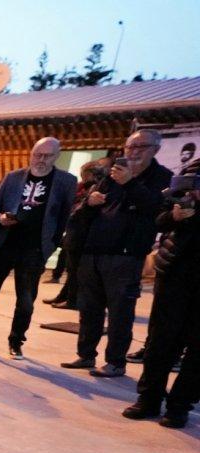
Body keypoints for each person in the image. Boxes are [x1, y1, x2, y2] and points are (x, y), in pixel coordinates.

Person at [60, 130, 173, 378]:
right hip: (93, 251)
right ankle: (86, 354)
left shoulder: (162, 178)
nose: (132, 152)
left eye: (140, 147)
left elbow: (157, 211)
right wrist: (90, 201)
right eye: (129, 147)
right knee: (89, 308)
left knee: (120, 311)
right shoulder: (111, 175)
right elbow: (81, 211)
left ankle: (115, 362)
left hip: (126, 255)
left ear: (155, 149)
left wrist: (130, 183)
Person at [0, 137, 76, 358]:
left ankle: (16, 341)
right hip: (3, 246)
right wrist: (0, 218)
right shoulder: (13, 178)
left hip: (34, 250)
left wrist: (50, 247)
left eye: (47, 156)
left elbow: (63, 217)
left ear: (57, 156)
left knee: (25, 301)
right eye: (37, 154)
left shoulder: (66, 181)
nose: (41, 160)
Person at [122, 162, 199, 429]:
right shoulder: (190, 175)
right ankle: (149, 399)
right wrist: (176, 217)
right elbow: (160, 218)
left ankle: (179, 406)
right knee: (160, 342)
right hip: (175, 274)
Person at [46, 159, 110, 309]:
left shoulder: (97, 188)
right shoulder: (82, 188)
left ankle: (73, 300)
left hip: (83, 235)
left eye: (85, 174)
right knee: (71, 268)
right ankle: (65, 295)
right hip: (74, 231)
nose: (83, 177)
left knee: (76, 270)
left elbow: (82, 210)